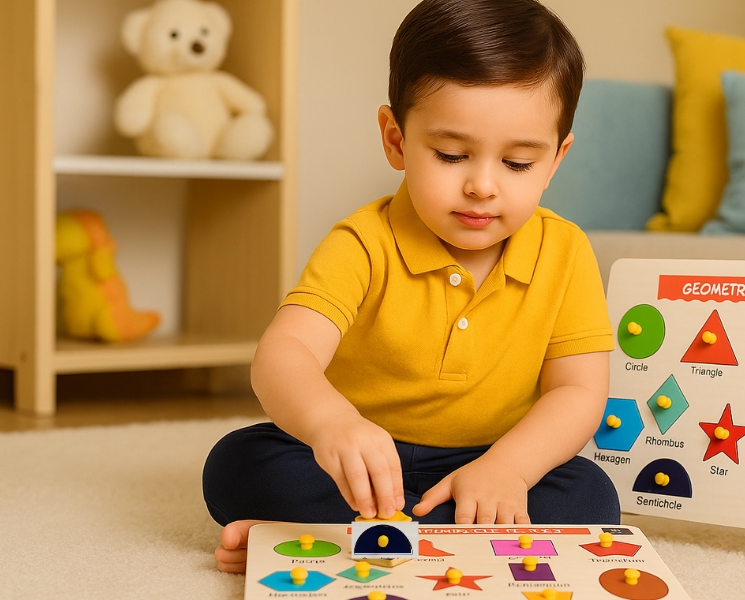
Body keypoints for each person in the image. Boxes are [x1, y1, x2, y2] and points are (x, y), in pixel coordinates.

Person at [202, 0, 620, 574]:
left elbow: (577, 392)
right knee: (238, 464)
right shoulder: (362, 241)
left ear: (555, 160)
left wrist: (511, 469)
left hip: (487, 459)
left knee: (592, 496)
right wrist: (332, 424)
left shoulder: (566, 251)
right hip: (361, 464)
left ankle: (319, 538)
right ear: (396, 140)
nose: (482, 186)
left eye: (519, 164)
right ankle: (391, 532)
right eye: (451, 155)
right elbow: (285, 353)